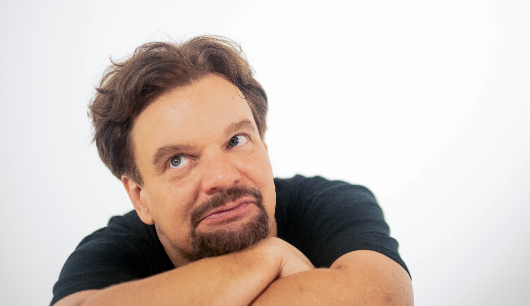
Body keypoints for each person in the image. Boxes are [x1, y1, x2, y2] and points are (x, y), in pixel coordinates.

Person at [51, 36, 413, 306]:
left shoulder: (328, 203)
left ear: (264, 145)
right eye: (178, 160)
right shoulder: (115, 250)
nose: (222, 178)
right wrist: (266, 257)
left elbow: (383, 298)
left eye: (236, 140)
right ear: (140, 197)